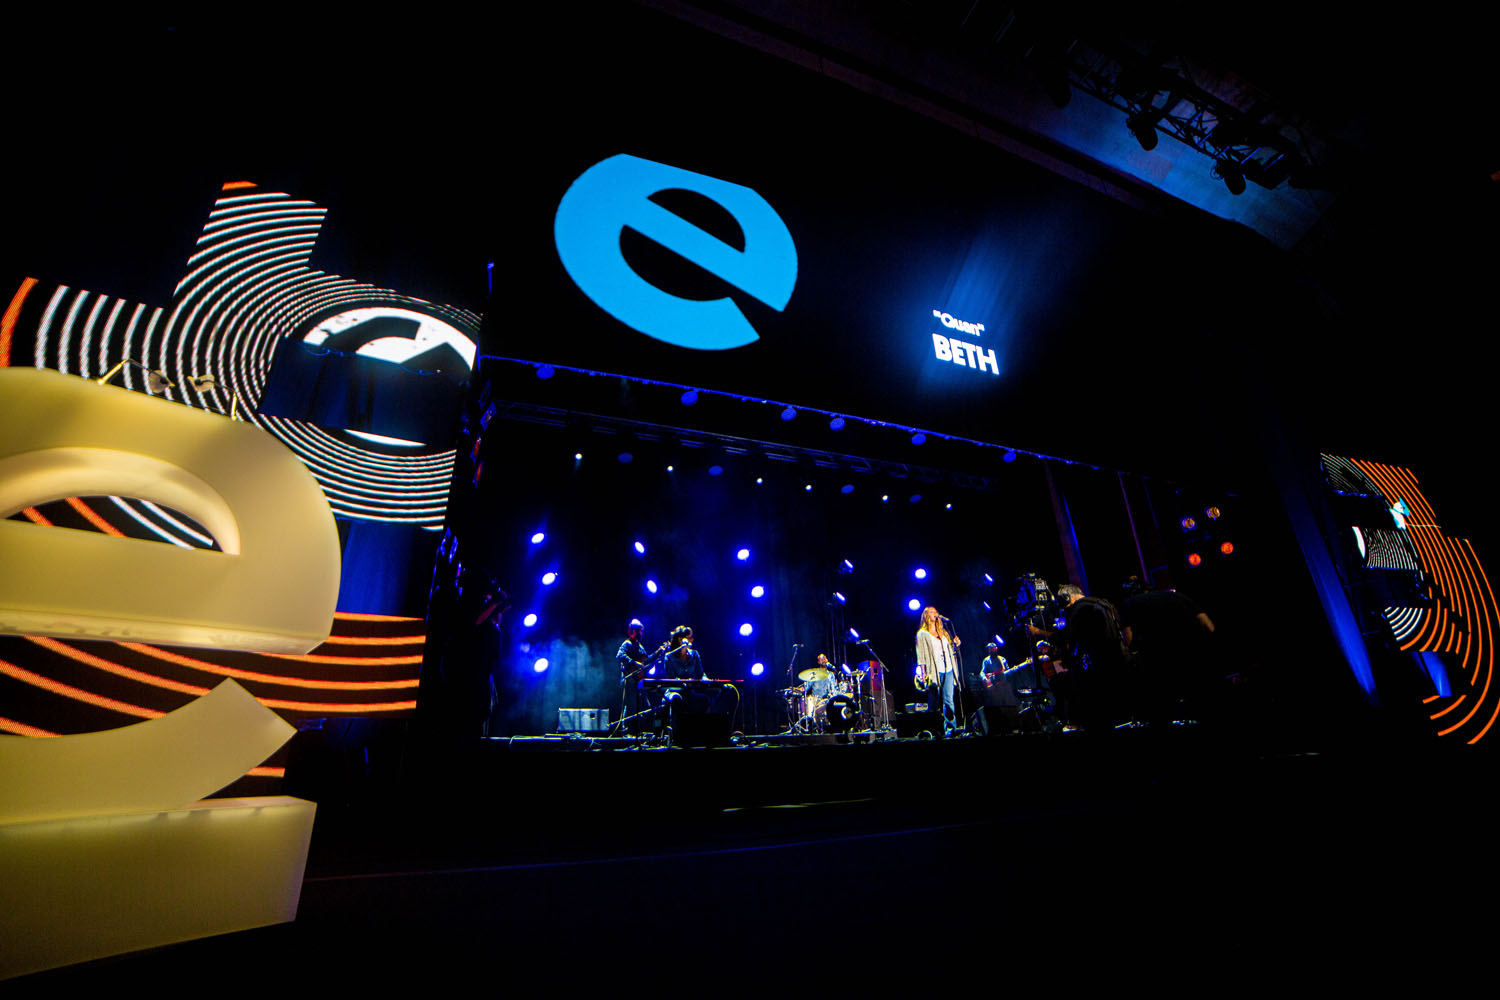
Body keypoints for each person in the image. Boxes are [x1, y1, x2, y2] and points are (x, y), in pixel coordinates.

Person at [1029, 584, 1128, 729]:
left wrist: (1038, 632)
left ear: (1067, 598)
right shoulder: (1105, 604)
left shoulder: (1080, 609)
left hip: (1097, 674)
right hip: (1119, 666)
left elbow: (1065, 636)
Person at [915, 606, 961, 735]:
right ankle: (934, 729)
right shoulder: (922, 634)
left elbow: (950, 649)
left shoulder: (943, 632)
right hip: (933, 671)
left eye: (936, 611)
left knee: (949, 700)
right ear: (926, 615)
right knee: (934, 701)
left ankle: (951, 729)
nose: (935, 614)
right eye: (932, 612)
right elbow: (921, 655)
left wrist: (955, 644)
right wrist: (923, 672)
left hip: (948, 669)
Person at [615, 619, 656, 734]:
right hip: (630, 680)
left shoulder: (640, 646)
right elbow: (620, 655)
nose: (642, 633)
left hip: (638, 680)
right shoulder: (627, 644)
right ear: (633, 631)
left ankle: (640, 731)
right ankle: (626, 731)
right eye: (640, 631)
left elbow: (645, 661)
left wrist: (657, 653)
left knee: (645, 706)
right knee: (631, 707)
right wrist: (634, 663)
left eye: (642, 631)